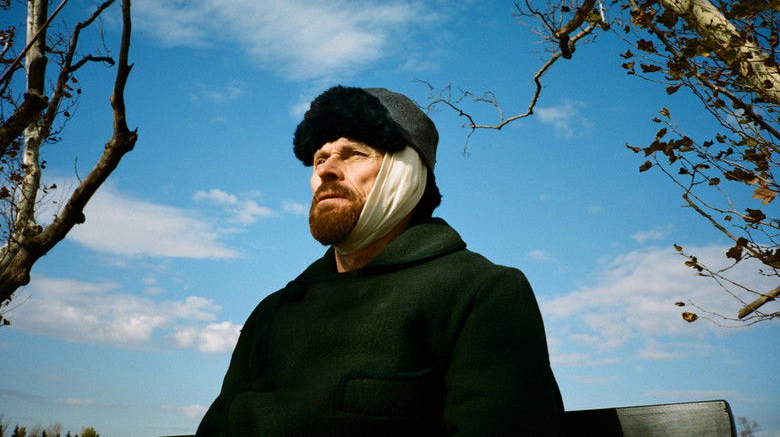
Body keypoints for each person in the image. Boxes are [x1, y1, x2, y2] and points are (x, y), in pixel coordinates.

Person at [196, 86, 564, 436]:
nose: (324, 170)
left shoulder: (480, 292)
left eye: (354, 154)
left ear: (403, 171)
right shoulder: (272, 312)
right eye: (319, 158)